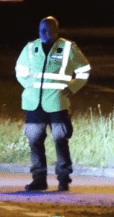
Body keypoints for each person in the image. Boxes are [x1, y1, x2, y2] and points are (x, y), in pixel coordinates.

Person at [14, 16, 90, 192]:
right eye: (41, 30)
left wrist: (73, 87)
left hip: (57, 102)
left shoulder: (68, 47)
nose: (44, 33)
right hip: (34, 104)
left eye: (48, 30)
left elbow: (84, 70)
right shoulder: (31, 47)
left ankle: (63, 179)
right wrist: (30, 88)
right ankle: (39, 179)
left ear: (56, 30)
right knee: (34, 141)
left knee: (60, 140)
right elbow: (20, 71)